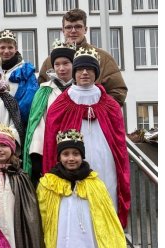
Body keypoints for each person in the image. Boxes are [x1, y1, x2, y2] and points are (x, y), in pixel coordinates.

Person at [42, 47, 130, 227]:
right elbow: (51, 141)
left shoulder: (110, 105)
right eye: (80, 69)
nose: (84, 73)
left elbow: (118, 140)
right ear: (74, 72)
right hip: (72, 163)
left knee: (106, 195)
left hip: (106, 162)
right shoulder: (61, 104)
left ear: (96, 73)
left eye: (89, 69)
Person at [37, 8, 127, 106]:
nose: (73, 31)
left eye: (78, 27)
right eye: (68, 27)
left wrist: (98, 110)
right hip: (59, 118)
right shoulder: (50, 60)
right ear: (62, 30)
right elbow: (40, 92)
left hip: (91, 118)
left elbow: (118, 91)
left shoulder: (102, 57)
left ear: (85, 29)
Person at [23, 40, 76, 184]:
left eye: (66, 63)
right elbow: (38, 123)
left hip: (78, 149)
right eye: (57, 64)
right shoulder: (45, 91)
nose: (61, 68)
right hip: (51, 148)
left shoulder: (82, 89)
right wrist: (36, 153)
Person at [0, 29, 39, 123]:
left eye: (10, 47)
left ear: (16, 49)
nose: (6, 51)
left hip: (17, 124)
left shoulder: (25, 71)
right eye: (2, 47)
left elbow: (30, 101)